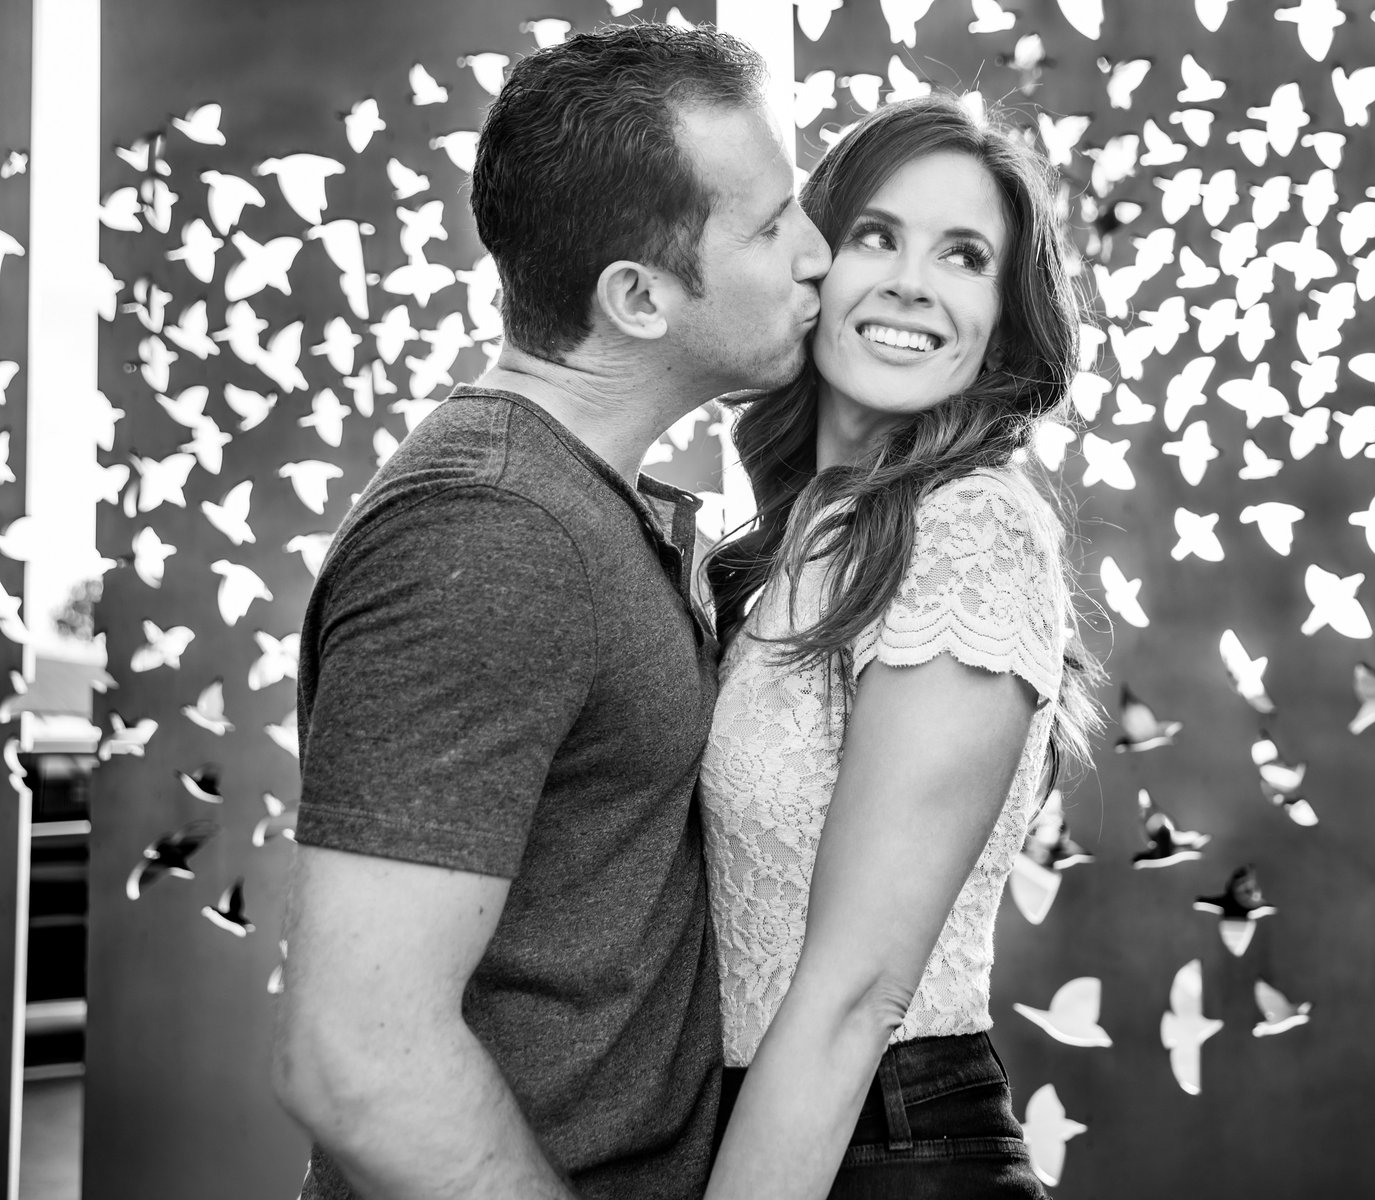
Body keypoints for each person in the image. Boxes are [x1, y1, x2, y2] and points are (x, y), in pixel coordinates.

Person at [270, 24, 828, 1200]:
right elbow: (359, 1061)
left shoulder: (576, 507)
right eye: (774, 224)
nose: (817, 254)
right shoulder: (492, 532)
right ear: (637, 297)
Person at [699, 95, 1103, 1198]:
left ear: (1004, 325)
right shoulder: (792, 542)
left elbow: (858, 994)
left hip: (890, 1149)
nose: (912, 283)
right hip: (778, 1137)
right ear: (812, 265)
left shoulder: (970, 527)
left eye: (964, 256)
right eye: (877, 235)